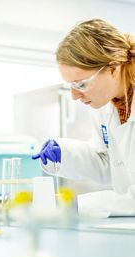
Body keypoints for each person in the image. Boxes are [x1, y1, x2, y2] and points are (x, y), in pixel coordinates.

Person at [32, 19, 135, 196]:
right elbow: (109, 162)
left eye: (80, 85)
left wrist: (79, 205)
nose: (73, 96)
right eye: (70, 86)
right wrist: (64, 153)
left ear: (113, 68)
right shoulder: (104, 106)